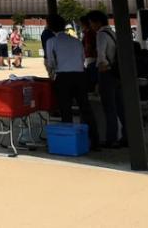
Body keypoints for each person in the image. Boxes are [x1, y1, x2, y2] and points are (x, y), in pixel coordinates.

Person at [44, 14, 100, 150]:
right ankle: (95, 141)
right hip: (80, 75)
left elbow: (50, 62)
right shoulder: (75, 41)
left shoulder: (51, 41)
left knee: (66, 109)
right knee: (85, 108)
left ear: (50, 27)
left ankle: (69, 141)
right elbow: (82, 59)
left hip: (63, 76)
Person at [88, 10, 127, 148]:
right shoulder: (113, 33)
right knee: (120, 106)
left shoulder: (101, 35)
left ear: (97, 22)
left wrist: (100, 68)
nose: (91, 26)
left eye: (91, 23)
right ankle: (126, 136)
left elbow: (101, 56)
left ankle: (112, 138)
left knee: (109, 107)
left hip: (107, 72)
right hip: (117, 72)